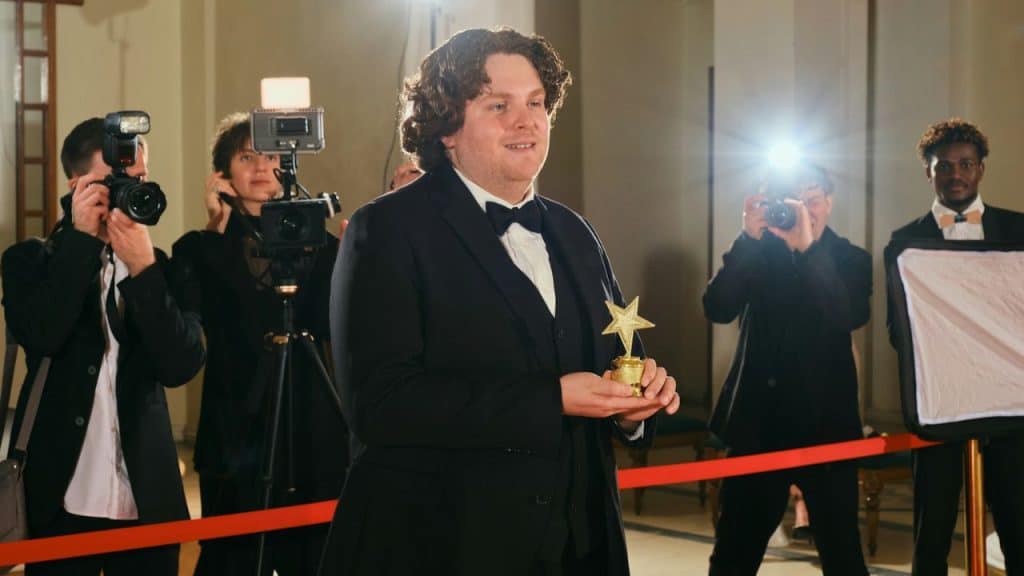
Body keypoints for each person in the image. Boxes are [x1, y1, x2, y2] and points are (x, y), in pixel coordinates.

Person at [320, 27, 680, 576]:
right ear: (446, 128)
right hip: (439, 546)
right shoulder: (388, 229)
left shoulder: (575, 232)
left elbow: (618, 357)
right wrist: (550, 400)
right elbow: (381, 405)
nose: (526, 121)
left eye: (536, 103)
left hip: (579, 550)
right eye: (498, 105)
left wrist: (636, 404)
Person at [1, 117, 205, 575]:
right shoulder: (28, 261)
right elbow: (42, 335)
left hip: (147, 501)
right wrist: (79, 243)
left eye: (139, 182)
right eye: (111, 182)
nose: (127, 193)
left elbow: (181, 365)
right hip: (61, 498)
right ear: (77, 186)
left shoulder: (161, 269)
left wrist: (143, 270)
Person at [172, 113, 347, 576]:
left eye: (271, 155)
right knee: (231, 559)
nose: (261, 166)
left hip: (310, 424)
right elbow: (200, 312)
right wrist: (218, 227)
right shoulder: (199, 247)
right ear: (223, 173)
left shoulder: (320, 245)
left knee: (313, 557)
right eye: (246, 156)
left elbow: (338, 326)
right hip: (236, 423)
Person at [704, 165, 871, 575]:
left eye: (812, 200)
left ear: (828, 203)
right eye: (792, 202)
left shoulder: (851, 258)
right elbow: (718, 307)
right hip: (759, 425)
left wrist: (810, 250)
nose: (804, 212)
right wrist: (746, 236)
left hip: (827, 426)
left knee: (843, 556)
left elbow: (845, 313)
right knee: (733, 556)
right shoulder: (758, 253)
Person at [885, 118, 1024, 576]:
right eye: (944, 166)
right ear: (929, 172)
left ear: (981, 169)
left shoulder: (1020, 232)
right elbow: (897, 330)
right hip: (940, 401)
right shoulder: (905, 243)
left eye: (965, 164)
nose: (956, 174)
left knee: (1019, 528)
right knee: (932, 532)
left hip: (1011, 404)